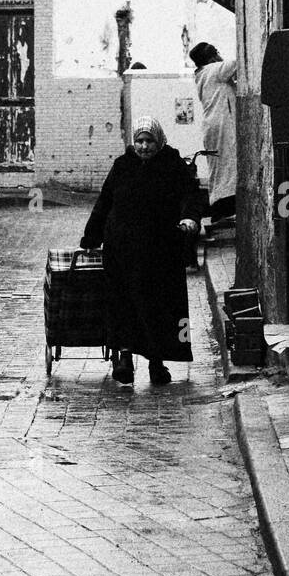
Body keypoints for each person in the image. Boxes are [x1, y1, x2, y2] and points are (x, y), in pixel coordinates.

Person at [80, 116, 203, 386]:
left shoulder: (172, 166)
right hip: (121, 250)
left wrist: (190, 218)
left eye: (149, 141)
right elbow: (105, 201)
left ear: (159, 141)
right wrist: (91, 237)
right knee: (123, 304)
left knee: (157, 307)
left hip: (159, 251)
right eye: (140, 141)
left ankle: (156, 362)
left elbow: (191, 195)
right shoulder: (122, 166)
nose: (144, 146)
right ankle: (123, 358)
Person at [189, 42, 237, 224]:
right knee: (228, 166)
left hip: (213, 126)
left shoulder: (203, 74)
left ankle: (219, 207)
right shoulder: (214, 69)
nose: (219, 55)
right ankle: (224, 209)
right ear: (211, 57)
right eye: (216, 52)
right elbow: (238, 62)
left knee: (220, 168)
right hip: (222, 126)